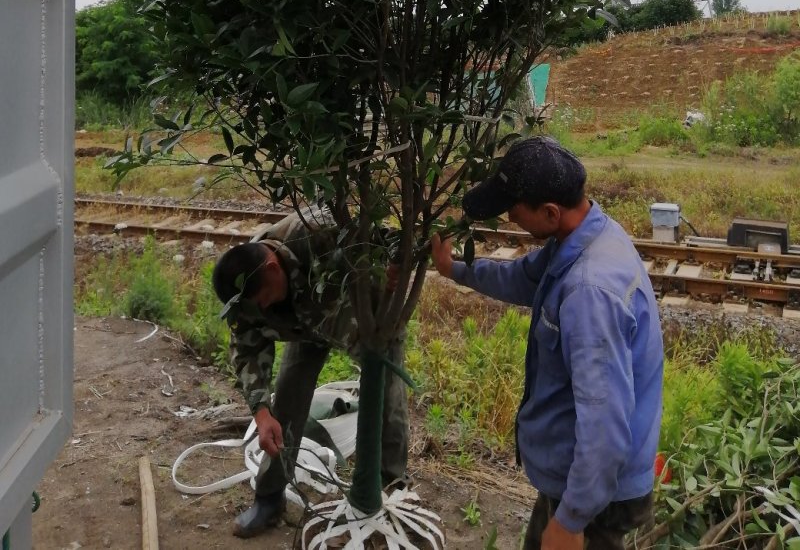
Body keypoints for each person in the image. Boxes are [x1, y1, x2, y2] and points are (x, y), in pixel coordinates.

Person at [431, 136, 663, 550]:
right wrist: (456, 270)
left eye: (515, 213)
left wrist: (572, 520)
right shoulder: (582, 235)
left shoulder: (589, 294)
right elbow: (523, 277)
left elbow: (605, 425)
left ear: (551, 212)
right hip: (580, 481)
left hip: (597, 498)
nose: (512, 221)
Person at [212, 207, 408, 539]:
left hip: (369, 318)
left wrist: (395, 264)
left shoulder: (321, 234)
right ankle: (270, 499)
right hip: (307, 329)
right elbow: (247, 350)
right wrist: (261, 413)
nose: (263, 310)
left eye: (265, 301)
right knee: (286, 402)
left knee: (387, 403)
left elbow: (393, 239)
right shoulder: (245, 294)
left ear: (274, 268)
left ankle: (390, 492)